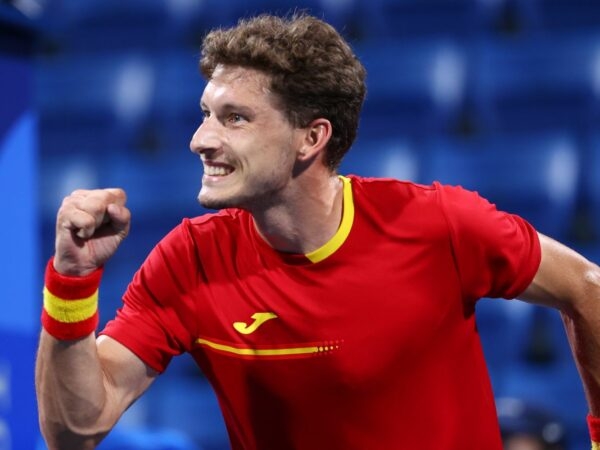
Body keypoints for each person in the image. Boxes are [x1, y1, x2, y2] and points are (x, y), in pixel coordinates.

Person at [35, 13, 600, 450]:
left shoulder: (439, 224)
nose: (200, 139)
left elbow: (587, 289)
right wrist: (72, 281)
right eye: (206, 113)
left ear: (311, 138)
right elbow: (77, 429)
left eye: (234, 118)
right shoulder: (190, 258)